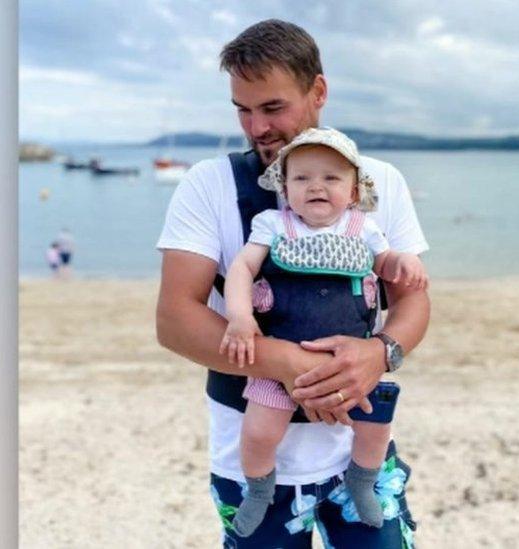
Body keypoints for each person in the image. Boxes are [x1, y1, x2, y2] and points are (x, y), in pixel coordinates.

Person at [155, 19, 430, 548]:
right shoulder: (208, 185)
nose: (256, 127)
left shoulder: (379, 184)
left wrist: (381, 354)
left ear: (318, 92)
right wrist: (297, 367)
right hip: (249, 451)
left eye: (272, 107)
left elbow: (414, 302)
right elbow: (174, 320)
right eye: (243, 109)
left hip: (358, 448)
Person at [220, 128, 428, 536]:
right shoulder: (273, 224)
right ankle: (259, 489)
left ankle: (362, 480)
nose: (316, 186)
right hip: (280, 360)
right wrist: (240, 318)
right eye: (301, 178)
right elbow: (243, 268)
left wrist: (404, 263)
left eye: (331, 178)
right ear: (285, 189)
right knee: (259, 433)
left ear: (353, 191)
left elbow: (385, 264)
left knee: (374, 429)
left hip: (351, 364)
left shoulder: (363, 227)